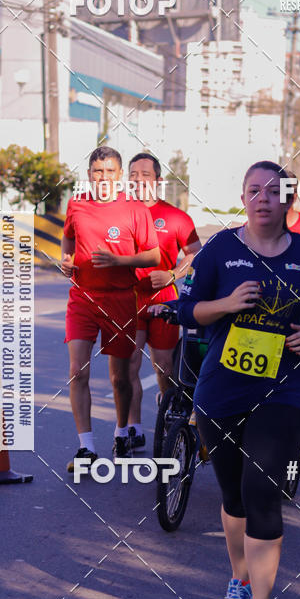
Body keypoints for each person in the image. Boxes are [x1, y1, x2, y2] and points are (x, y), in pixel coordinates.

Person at [177, 160, 300, 599]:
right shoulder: (220, 250)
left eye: (274, 191)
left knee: (262, 490)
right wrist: (227, 304)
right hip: (222, 390)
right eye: (254, 190)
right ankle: (239, 578)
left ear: (289, 200)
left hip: (284, 390)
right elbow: (189, 309)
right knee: (234, 498)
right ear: (243, 197)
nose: (264, 198)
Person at [61, 147, 160, 471]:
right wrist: (66, 261)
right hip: (83, 298)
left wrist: (120, 261)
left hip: (120, 299)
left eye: (109, 171)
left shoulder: (134, 209)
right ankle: (86, 447)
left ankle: (121, 431)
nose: (103, 177)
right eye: (97, 171)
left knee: (120, 378)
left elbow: (153, 256)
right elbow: (68, 241)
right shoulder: (76, 204)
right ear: (89, 173)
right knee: (78, 370)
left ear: (119, 175)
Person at [127, 152, 202, 450]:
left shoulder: (176, 217)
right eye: (133, 174)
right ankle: (132, 428)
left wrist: (173, 275)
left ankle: (167, 410)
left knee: (165, 368)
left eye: (145, 174)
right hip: (128, 300)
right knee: (128, 367)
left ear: (158, 181)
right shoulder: (119, 213)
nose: (138, 180)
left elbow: (196, 252)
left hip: (163, 300)